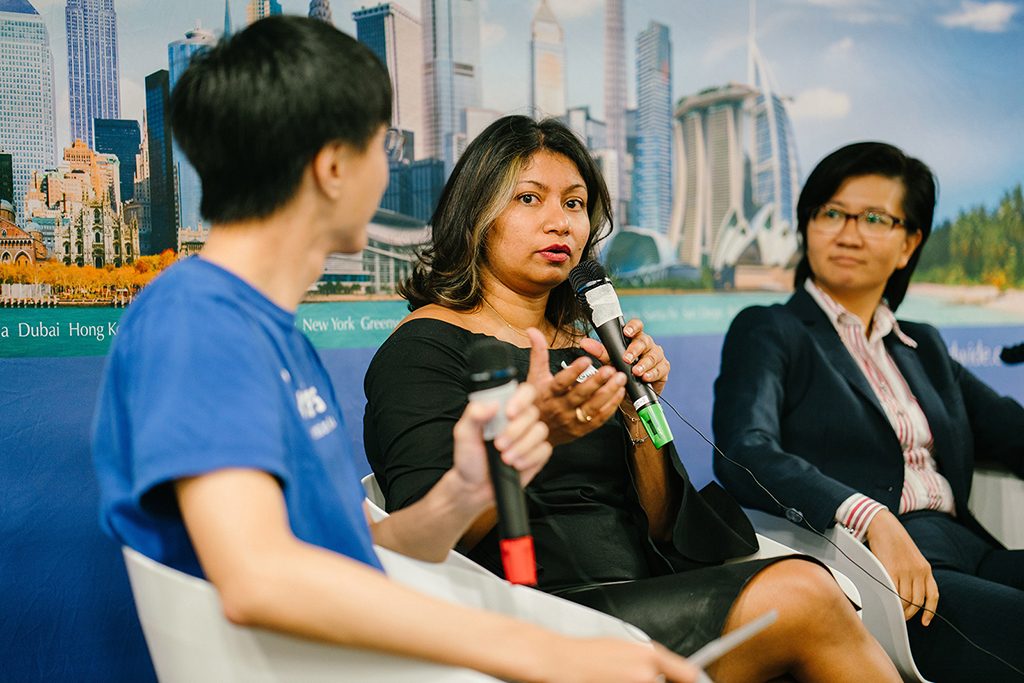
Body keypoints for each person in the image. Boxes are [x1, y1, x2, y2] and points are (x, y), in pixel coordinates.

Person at [90, 17, 700, 683]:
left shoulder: (271, 332)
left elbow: (365, 548)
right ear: (333, 167)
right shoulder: (198, 321)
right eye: (382, 147)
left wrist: (469, 490)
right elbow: (259, 576)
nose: (387, 173)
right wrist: (541, 648)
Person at [363, 115, 900, 683]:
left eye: (575, 204)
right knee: (802, 593)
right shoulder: (424, 347)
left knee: (805, 588)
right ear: (476, 214)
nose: (560, 222)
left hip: (645, 589)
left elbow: (667, 525)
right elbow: (425, 535)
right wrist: (535, 435)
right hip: (533, 613)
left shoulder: (593, 347)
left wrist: (634, 409)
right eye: (529, 198)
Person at [712, 141, 1024, 682]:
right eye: (832, 213)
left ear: (908, 244)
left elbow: (1011, 432)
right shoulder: (770, 330)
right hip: (880, 567)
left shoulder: (921, 345)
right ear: (807, 225)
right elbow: (745, 449)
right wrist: (869, 515)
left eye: (874, 218)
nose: (848, 232)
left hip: (973, 547)